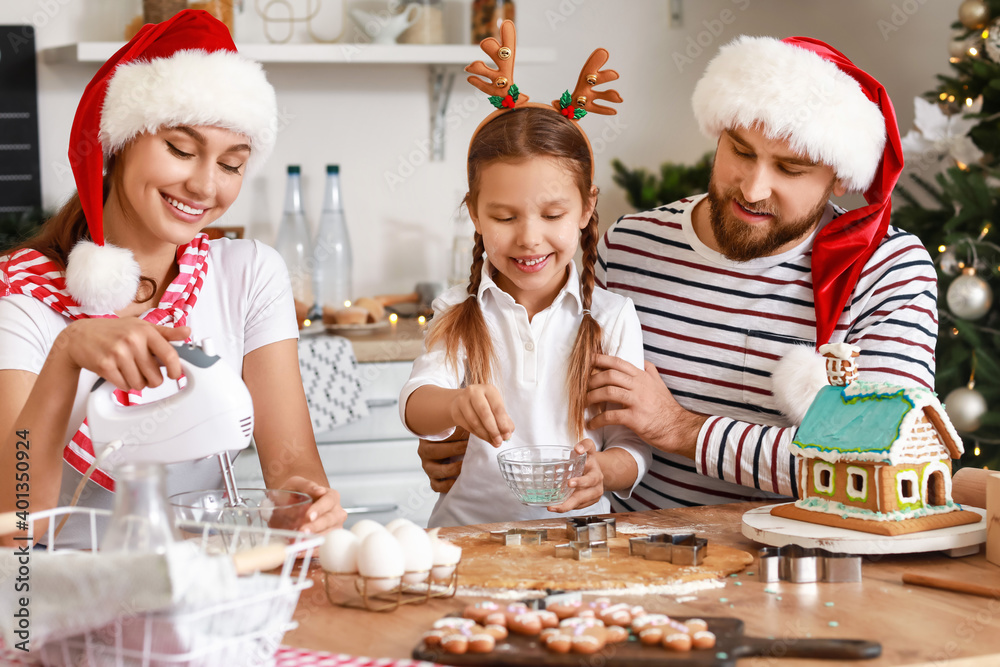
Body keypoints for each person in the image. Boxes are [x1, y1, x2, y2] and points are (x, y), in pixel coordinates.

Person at [418, 35, 938, 512]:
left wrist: (680, 429)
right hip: (640, 564)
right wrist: (452, 431)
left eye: (791, 169)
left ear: (838, 176)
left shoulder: (886, 270)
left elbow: (881, 458)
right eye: (740, 151)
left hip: (803, 568)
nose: (753, 188)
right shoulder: (631, 245)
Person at [0, 10, 346, 548]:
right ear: (116, 143)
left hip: (204, 594)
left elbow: (295, 473)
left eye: (231, 165)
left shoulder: (249, 276)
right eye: (181, 150)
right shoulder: (22, 300)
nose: (205, 186)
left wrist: (301, 506)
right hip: (63, 606)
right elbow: (17, 527)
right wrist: (67, 355)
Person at [400, 22, 651, 527]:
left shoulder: (612, 316)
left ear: (586, 209)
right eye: (505, 216)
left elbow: (633, 447)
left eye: (552, 215)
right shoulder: (458, 311)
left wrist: (602, 471)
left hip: (579, 541)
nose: (530, 238)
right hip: (468, 538)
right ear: (474, 213)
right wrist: (455, 405)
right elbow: (416, 405)